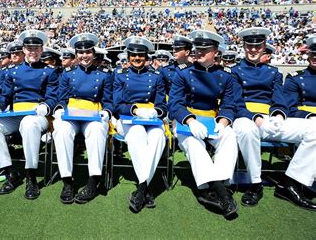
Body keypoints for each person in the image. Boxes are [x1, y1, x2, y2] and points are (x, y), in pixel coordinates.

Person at [232, 28, 315, 211]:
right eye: (249, 46)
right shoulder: (234, 71)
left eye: (257, 46)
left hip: (270, 118)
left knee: (314, 129)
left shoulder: (274, 72)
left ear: (264, 48)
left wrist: (278, 115)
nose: (253, 50)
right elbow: (236, 102)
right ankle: (255, 184)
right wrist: (256, 118)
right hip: (245, 117)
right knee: (247, 130)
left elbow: (279, 99)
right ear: (244, 47)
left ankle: (290, 183)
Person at [0, 30, 59, 198]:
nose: (33, 52)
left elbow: (53, 97)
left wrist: (46, 106)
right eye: (29, 48)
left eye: (36, 48)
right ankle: (11, 173)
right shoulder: (13, 71)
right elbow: (5, 96)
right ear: (23, 50)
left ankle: (31, 177)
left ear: (41, 50)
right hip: (16, 113)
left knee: (29, 123)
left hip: (38, 116)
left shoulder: (50, 71)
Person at [168, 30, 238, 218]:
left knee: (230, 136)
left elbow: (229, 104)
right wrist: (190, 120)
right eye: (197, 49)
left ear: (216, 52)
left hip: (212, 120)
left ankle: (221, 181)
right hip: (186, 120)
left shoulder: (226, 76)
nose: (199, 52)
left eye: (204, 50)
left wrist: (223, 123)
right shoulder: (183, 73)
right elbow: (174, 103)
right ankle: (218, 192)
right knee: (194, 144)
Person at [52, 33, 113, 204]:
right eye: (80, 52)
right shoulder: (68, 73)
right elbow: (61, 97)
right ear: (76, 54)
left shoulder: (104, 74)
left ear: (93, 54)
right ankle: (67, 181)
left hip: (93, 114)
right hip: (71, 114)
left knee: (97, 131)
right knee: (62, 130)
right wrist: (59, 109)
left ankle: (93, 180)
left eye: (87, 52)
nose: (84, 56)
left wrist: (106, 112)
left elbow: (108, 100)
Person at [113, 36, 168, 213]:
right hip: (128, 119)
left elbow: (162, 105)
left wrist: (156, 112)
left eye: (141, 55)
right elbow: (117, 104)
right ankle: (146, 188)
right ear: (128, 56)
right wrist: (135, 110)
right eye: (133, 55)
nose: (137, 59)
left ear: (147, 57)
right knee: (137, 133)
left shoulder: (156, 76)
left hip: (150, 119)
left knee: (158, 136)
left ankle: (141, 188)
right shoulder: (120, 75)